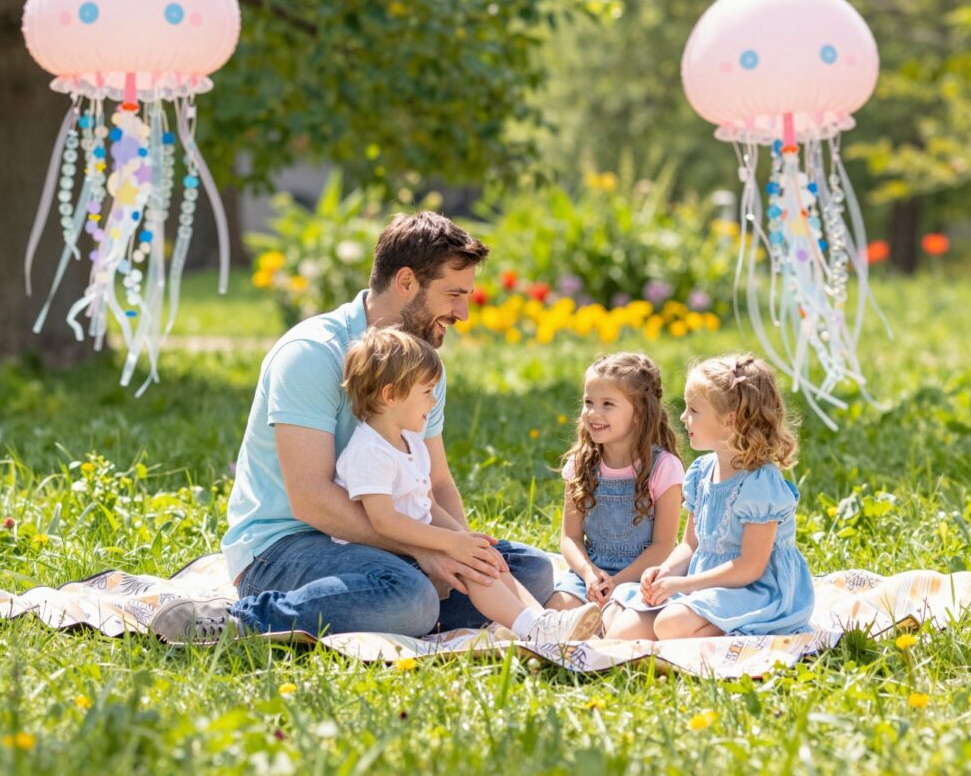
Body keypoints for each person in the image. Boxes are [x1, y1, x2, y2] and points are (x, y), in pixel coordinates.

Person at [150, 212, 553, 644]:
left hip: (382, 540)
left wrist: (468, 556)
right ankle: (239, 620)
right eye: (453, 294)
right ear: (405, 282)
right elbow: (312, 501)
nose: (463, 312)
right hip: (287, 547)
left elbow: (436, 484)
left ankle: (390, 608)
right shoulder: (312, 353)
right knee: (411, 596)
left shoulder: (422, 366)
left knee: (532, 569)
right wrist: (425, 548)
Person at [335, 327, 601, 643]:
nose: (433, 401)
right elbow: (383, 520)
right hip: (376, 555)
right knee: (469, 566)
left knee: (482, 557)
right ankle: (531, 626)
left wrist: (464, 538)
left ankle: (542, 623)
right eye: (426, 391)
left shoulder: (411, 442)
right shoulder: (370, 450)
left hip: (415, 542)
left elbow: (427, 504)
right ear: (390, 395)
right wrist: (449, 544)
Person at [604, 353, 814, 640]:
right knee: (620, 627)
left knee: (669, 624)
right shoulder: (702, 471)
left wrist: (684, 584)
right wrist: (663, 574)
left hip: (756, 591)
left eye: (693, 410)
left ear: (730, 421)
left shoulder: (759, 484)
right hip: (704, 584)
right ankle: (688, 623)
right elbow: (691, 545)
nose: (683, 417)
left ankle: (755, 628)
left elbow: (750, 567)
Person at [545, 353, 684, 630]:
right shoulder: (581, 464)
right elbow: (570, 538)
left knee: (616, 624)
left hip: (640, 577)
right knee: (554, 611)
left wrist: (616, 583)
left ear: (640, 413)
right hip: (591, 574)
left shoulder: (664, 467)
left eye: (607, 404)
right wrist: (589, 575)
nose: (593, 413)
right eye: (588, 402)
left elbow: (663, 546)